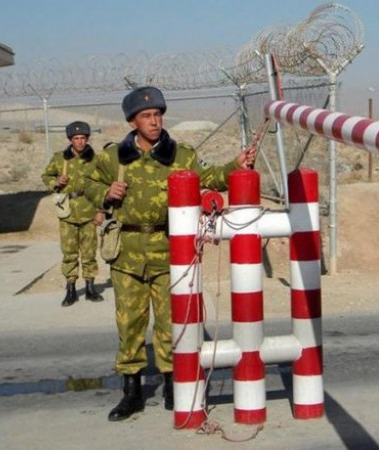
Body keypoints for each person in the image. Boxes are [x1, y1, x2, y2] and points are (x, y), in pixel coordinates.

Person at [84, 86, 256, 422]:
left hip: (170, 252)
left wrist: (234, 166)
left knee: (170, 324)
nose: (154, 120)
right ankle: (131, 394)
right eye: (147, 116)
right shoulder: (112, 158)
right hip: (128, 255)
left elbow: (210, 177)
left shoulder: (181, 155)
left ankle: (173, 387)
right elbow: (87, 185)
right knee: (129, 324)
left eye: (158, 114)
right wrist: (105, 191)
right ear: (133, 121)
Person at [42, 121, 105, 307]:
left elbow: (103, 186)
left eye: (83, 138)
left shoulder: (96, 160)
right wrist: (56, 182)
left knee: (89, 252)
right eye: (76, 138)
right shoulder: (60, 159)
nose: (80, 142)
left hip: (89, 209)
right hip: (67, 211)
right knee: (69, 252)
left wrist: (101, 211)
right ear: (70, 140)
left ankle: (90, 287)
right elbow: (46, 176)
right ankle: (70, 288)